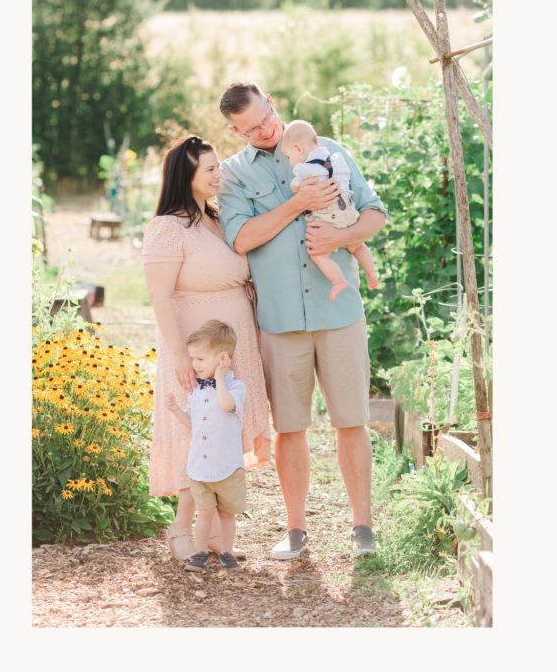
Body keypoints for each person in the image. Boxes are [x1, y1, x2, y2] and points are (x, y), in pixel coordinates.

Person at [217, 82, 387, 559]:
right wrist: (296, 205)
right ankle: (295, 530)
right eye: (250, 129)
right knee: (289, 428)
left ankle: (362, 527)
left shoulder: (329, 150)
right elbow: (242, 238)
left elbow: (375, 214)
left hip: (340, 313)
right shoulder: (231, 176)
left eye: (266, 118)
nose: (265, 130)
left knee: (351, 421)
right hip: (280, 319)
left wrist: (343, 237)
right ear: (234, 130)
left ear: (271, 101)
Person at [142, 134, 271, 562]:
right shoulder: (168, 227)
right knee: (194, 428)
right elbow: (160, 296)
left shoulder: (215, 217)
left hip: (231, 346)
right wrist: (180, 355)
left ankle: (213, 532)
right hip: (195, 348)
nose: (220, 174)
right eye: (211, 168)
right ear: (188, 174)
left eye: (219, 166)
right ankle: (181, 527)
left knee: (221, 431)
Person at [164, 320, 247, 572]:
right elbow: (193, 425)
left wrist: (220, 377)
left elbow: (226, 406)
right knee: (204, 513)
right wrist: (176, 410)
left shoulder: (236, 387)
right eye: (192, 359)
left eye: (199, 359)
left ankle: (227, 551)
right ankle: (199, 553)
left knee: (227, 514)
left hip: (227, 467)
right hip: (199, 467)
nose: (194, 365)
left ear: (222, 359)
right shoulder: (197, 391)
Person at [281, 118, 379, 301]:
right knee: (357, 245)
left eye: (288, 156)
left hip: (328, 215)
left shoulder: (304, 168)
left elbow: (296, 188)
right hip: (348, 210)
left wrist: (298, 188)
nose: (289, 161)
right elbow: (345, 177)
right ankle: (372, 274)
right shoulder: (335, 158)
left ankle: (338, 281)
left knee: (318, 254)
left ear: (298, 149)